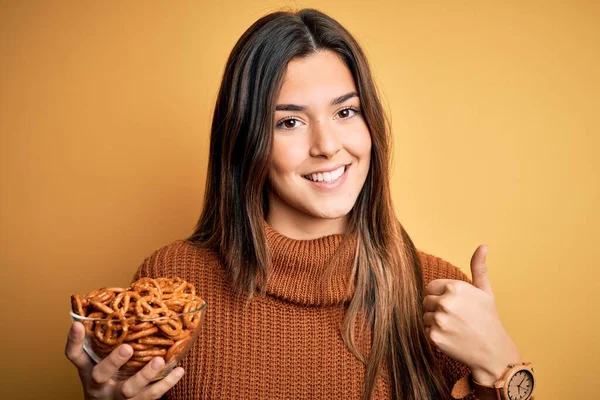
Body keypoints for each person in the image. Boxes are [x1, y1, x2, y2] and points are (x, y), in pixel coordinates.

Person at [65, 8, 531, 400]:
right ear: (246, 140)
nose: (327, 145)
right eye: (289, 122)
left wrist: (503, 366)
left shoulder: (441, 294)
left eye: (346, 112)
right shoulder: (175, 282)